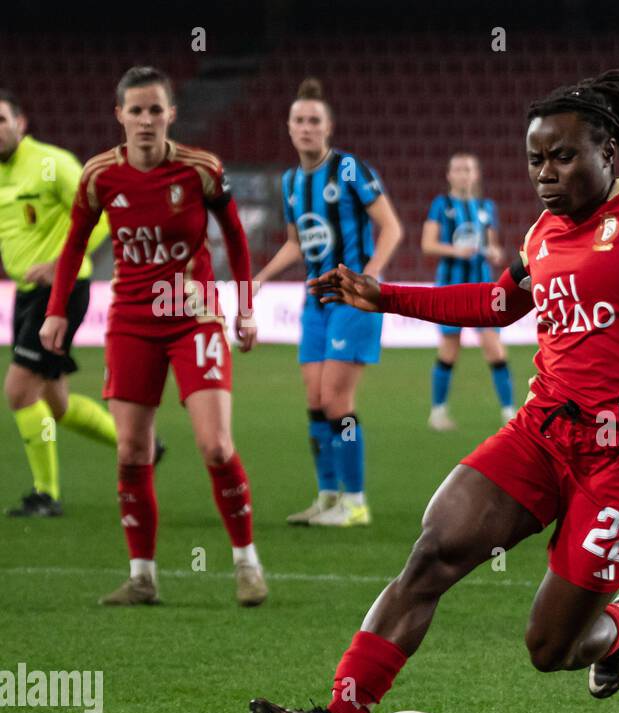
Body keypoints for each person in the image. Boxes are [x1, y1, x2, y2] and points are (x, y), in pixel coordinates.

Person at [250, 70, 619, 713]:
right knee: (434, 550)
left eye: (563, 156)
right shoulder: (542, 233)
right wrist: (386, 297)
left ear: (609, 151)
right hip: (543, 431)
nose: (545, 173)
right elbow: (499, 303)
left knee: (550, 648)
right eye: (536, 159)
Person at [41, 66, 267, 607]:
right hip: (132, 322)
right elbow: (74, 247)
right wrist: (55, 313)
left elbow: (234, 235)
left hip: (193, 316)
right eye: (136, 110)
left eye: (155, 109)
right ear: (119, 115)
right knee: (131, 450)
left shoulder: (200, 169)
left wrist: (245, 308)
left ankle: (246, 563)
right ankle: (142, 576)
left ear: (172, 113)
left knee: (214, 445)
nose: (146, 120)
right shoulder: (100, 176)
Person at [254, 78, 403, 528]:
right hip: (314, 303)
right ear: (289, 127)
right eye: (299, 120)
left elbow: (392, 228)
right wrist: (259, 277)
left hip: (351, 301)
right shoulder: (290, 182)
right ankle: (327, 495)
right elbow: (296, 244)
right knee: (315, 401)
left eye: (314, 120)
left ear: (328, 127)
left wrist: (368, 277)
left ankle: (355, 502)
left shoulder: (350, 170)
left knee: (338, 399)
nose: (306, 128)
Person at [0, 88, 128, 517]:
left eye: (2, 120)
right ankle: (136, 442)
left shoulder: (51, 164)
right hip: (26, 293)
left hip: (61, 291)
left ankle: (46, 494)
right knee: (56, 403)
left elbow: (103, 214)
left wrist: (60, 264)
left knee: (18, 392)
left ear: (21, 123)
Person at [423, 152, 515, 430]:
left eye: (468, 169)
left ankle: (510, 413)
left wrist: (496, 252)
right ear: (449, 175)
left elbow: (492, 245)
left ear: (476, 175)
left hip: (483, 288)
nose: (463, 174)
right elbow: (428, 244)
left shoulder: (486, 207)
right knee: (450, 349)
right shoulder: (441, 205)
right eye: (458, 169)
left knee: (495, 349)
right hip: (450, 287)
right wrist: (455, 250)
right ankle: (437, 412)